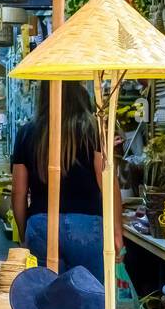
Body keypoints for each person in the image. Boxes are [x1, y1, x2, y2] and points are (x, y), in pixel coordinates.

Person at [11, 81, 115, 277]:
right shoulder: (94, 129)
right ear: (79, 91)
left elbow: (18, 191)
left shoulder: (27, 132)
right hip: (87, 225)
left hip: (42, 223)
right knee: (89, 297)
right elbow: (107, 183)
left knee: (47, 297)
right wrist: (116, 231)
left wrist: (25, 231)